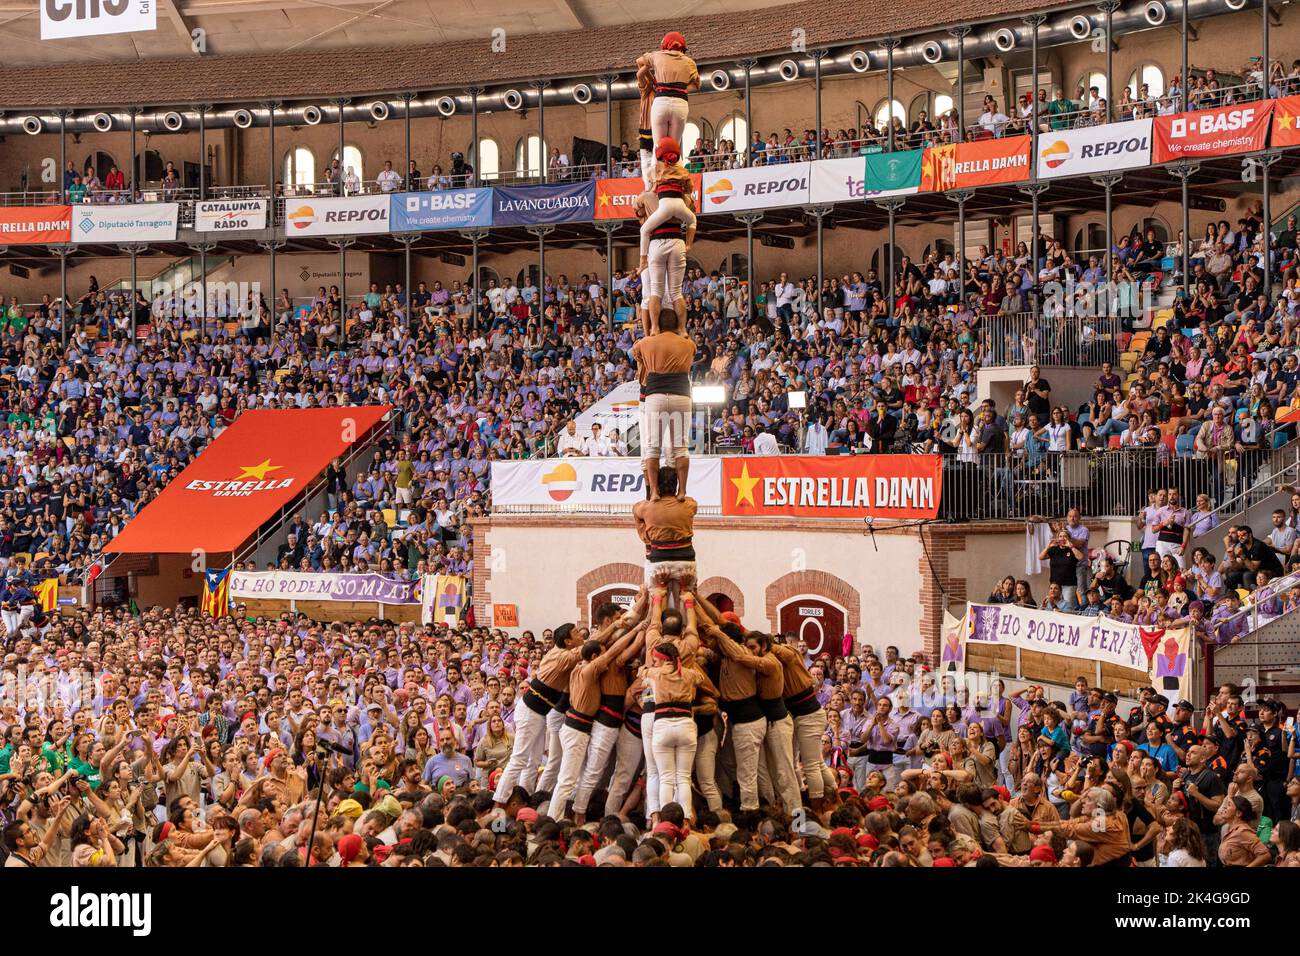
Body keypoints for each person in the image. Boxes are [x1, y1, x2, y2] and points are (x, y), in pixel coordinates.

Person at [631, 307, 696, 496]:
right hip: (681, 394)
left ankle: (655, 493)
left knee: (652, 447)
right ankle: (682, 491)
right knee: (680, 448)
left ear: (657, 323)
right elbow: (691, 356)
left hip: (655, 394)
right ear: (677, 324)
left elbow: (637, 355)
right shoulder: (689, 344)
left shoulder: (645, 343)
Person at [636, 33, 699, 180]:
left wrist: (655, 80)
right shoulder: (689, 62)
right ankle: (677, 182)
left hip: (661, 100)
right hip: (680, 102)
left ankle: (655, 187)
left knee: (659, 147)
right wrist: (680, 88)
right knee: (674, 148)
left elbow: (639, 61)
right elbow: (696, 85)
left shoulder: (657, 55)